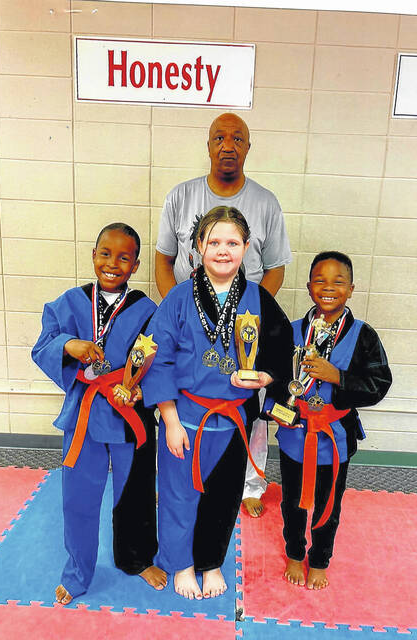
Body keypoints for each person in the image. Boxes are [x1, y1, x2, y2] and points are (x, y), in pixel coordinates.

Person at [143, 207, 293, 600]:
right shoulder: (177, 299)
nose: (223, 250)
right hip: (187, 418)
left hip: (233, 421)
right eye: (214, 242)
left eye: (233, 242)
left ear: (247, 248)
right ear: (197, 248)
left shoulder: (259, 299)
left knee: (223, 499)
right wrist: (170, 420)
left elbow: (280, 351)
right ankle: (181, 564)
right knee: (179, 493)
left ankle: (210, 562)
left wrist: (265, 378)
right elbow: (158, 360)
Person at [155, 112, 292, 518]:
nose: (228, 145)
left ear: (248, 147)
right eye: (219, 137)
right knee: (184, 397)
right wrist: (179, 310)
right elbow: (164, 259)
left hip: (242, 326)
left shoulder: (266, 202)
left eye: (237, 138)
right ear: (209, 145)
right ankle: (179, 476)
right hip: (190, 323)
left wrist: (250, 314)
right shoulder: (181, 196)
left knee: (249, 399)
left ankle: (250, 481)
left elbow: (277, 265)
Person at [32, 223, 167, 605]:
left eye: (124, 257)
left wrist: (143, 386)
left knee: (136, 495)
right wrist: (69, 345)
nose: (113, 263)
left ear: (136, 264)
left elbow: (159, 358)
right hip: (84, 417)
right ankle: (77, 574)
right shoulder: (70, 302)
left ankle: (136, 560)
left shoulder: (146, 309)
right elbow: (44, 343)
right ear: (93, 256)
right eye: (105, 253)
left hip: (130, 416)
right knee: (78, 498)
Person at [263, 251, 392, 590]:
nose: (329, 287)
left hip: (335, 438)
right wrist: (278, 413)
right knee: (292, 501)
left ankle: (319, 560)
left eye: (338, 281)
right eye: (320, 280)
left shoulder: (364, 335)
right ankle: (294, 552)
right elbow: (275, 380)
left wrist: (339, 376)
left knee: (329, 505)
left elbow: (380, 384)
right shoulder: (291, 332)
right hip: (296, 435)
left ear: (351, 289)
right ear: (308, 287)